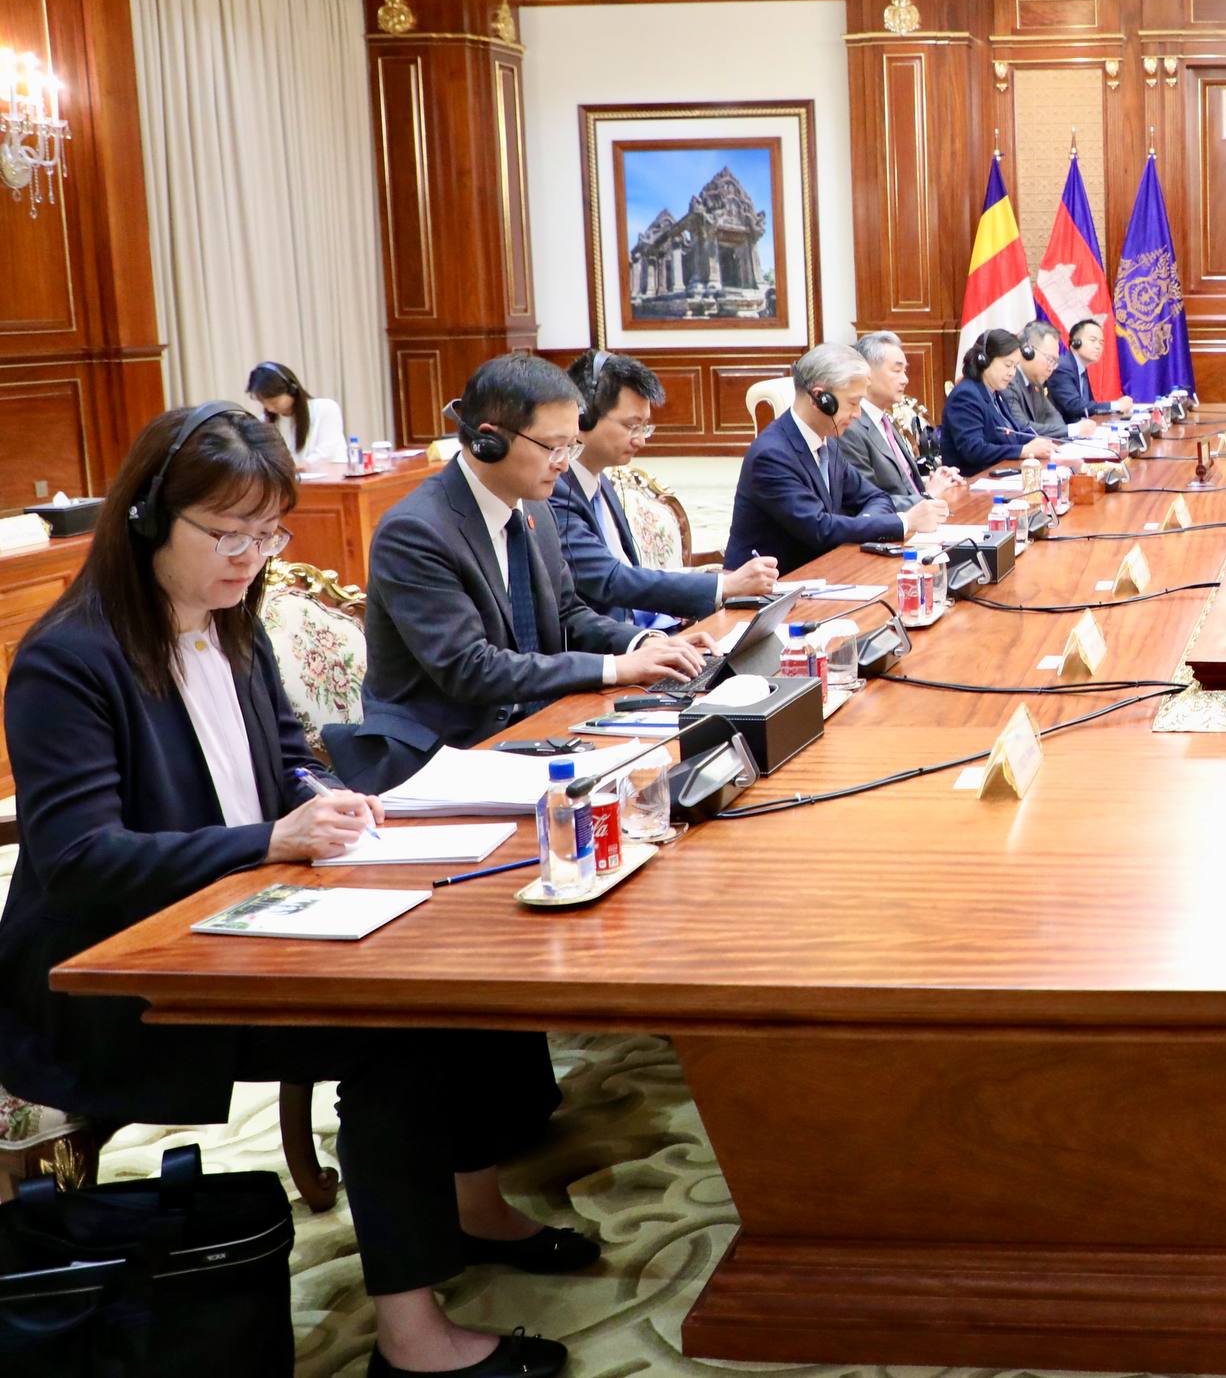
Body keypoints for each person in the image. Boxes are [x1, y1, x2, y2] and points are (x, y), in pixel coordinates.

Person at [0, 404, 586, 1378]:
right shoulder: (70, 657)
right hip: (115, 972)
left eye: (267, 533)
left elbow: (284, 759)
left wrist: (325, 797)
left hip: (246, 918)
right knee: (393, 1034)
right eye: (228, 533)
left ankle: (472, 1207)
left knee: (461, 957)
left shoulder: (231, 620)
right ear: (148, 518)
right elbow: (78, 858)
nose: (251, 557)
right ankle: (412, 1339)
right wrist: (269, 838)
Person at [336, 355, 702, 792]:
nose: (564, 464)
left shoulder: (533, 509)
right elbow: (471, 668)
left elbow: (567, 613)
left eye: (572, 447)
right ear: (489, 441)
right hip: (443, 755)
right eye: (553, 448)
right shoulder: (416, 532)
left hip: (536, 731)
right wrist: (615, 667)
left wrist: (645, 645)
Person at [552, 350, 776, 628]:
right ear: (584, 416)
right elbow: (608, 579)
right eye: (632, 426)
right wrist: (724, 585)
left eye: (644, 428)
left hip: (652, 628)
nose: (641, 441)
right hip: (610, 643)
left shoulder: (601, 482)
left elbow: (630, 573)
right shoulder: (556, 491)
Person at [726, 342, 946, 569]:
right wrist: (904, 521)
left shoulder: (828, 443)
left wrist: (863, 524)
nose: (857, 414)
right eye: (853, 403)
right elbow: (819, 529)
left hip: (825, 569)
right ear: (821, 399)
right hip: (772, 582)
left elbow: (876, 497)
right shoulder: (771, 456)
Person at [836, 331, 961, 508]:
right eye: (897, 371)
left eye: (905, 371)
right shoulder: (849, 427)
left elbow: (903, 484)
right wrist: (928, 496)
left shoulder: (884, 419)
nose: (905, 379)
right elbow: (866, 502)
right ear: (867, 373)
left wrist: (936, 482)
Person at [942, 330, 1063, 476]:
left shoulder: (995, 393)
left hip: (997, 476)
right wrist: (1023, 451)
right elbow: (973, 450)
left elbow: (1014, 433)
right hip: (971, 482)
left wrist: (1041, 443)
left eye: (1015, 366)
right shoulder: (966, 395)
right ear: (984, 360)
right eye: (1008, 365)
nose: (1012, 373)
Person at [246, 360, 346, 464]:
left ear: (292, 390)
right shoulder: (264, 421)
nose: (269, 408)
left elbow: (327, 451)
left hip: (330, 472)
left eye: (274, 402)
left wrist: (301, 465)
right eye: (263, 402)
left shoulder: (325, 408)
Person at [1005, 320, 1077, 436]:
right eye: (1050, 359)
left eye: (1055, 362)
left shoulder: (1036, 383)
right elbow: (1021, 427)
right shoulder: (1008, 381)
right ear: (1028, 351)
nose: (1051, 368)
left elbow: (1052, 415)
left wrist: (1065, 433)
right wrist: (1072, 430)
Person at [1050, 319, 1108, 423]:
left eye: (1101, 342)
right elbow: (1074, 406)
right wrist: (1114, 406)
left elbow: (1088, 406)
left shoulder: (1081, 369)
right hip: (1063, 430)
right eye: (1093, 340)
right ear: (1076, 343)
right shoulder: (1063, 367)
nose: (1098, 346)